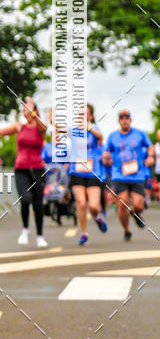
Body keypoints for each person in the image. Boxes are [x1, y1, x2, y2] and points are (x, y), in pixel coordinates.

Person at [0, 97, 48, 247]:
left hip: (38, 169)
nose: (25, 112)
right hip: (21, 169)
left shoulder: (40, 127)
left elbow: (44, 128)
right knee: (25, 199)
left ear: (35, 111)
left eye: (28, 109)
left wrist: (34, 114)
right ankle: (25, 229)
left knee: (38, 204)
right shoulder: (20, 127)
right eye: (24, 110)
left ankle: (40, 235)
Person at [102, 110, 154, 241]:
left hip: (138, 174)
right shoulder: (113, 136)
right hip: (119, 174)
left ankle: (135, 213)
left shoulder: (139, 134)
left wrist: (151, 157)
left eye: (127, 117)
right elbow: (106, 154)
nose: (124, 120)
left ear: (130, 120)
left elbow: (150, 147)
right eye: (122, 118)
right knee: (122, 204)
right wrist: (106, 158)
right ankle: (126, 230)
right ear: (119, 120)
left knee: (138, 205)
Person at [67, 104, 107, 245]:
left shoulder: (95, 130)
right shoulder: (73, 131)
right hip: (76, 171)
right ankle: (84, 233)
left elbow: (100, 136)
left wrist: (88, 127)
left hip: (92, 172)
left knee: (94, 206)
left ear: (90, 116)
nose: (82, 117)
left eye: (85, 114)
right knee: (81, 203)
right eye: (80, 115)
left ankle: (97, 218)